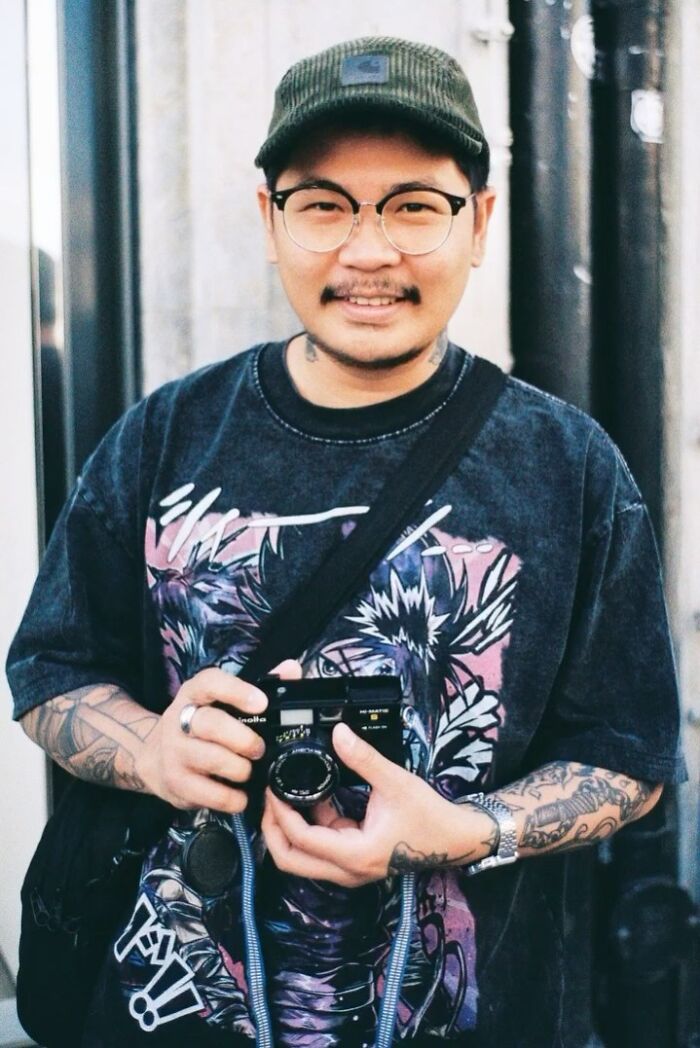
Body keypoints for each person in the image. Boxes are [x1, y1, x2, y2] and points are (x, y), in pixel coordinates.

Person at [7, 35, 685, 1048]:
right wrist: (151, 750)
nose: (368, 253)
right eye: (323, 204)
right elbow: (50, 674)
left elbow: (628, 756)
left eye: (414, 205)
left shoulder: (569, 466)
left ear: (479, 222)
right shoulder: (160, 437)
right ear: (270, 221)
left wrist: (469, 830)